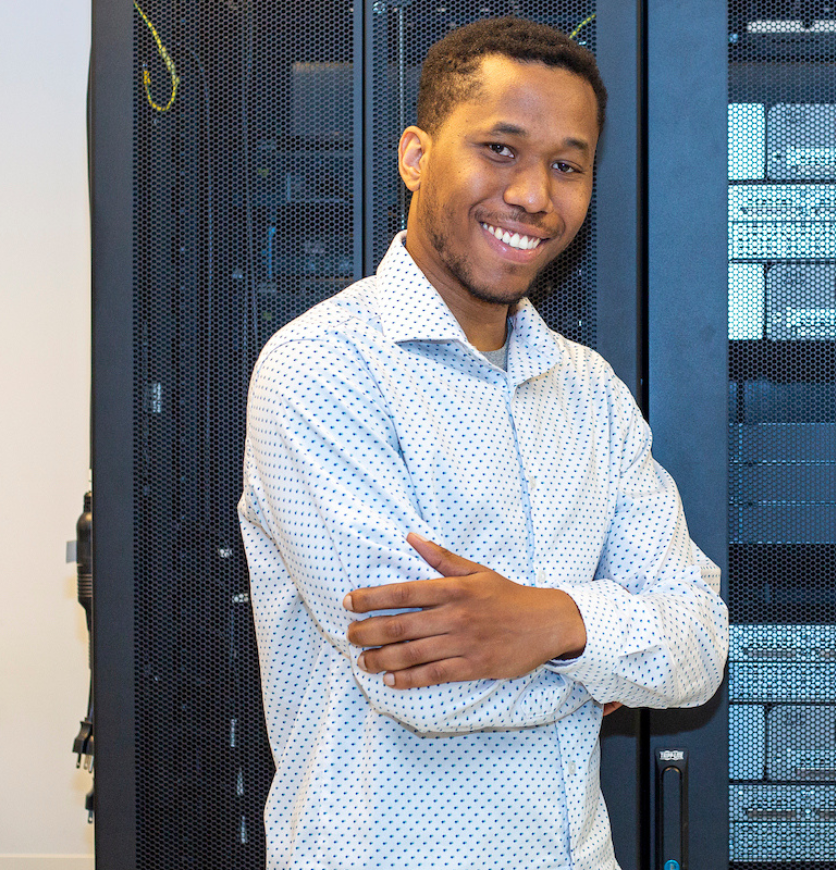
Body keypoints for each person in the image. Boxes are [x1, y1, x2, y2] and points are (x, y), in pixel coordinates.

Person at [237, 16, 728, 870]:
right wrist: (602, 661)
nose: (535, 195)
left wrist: (554, 624)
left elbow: (699, 650)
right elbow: (420, 685)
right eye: (500, 149)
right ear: (416, 156)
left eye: (566, 166)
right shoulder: (320, 370)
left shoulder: (590, 393)